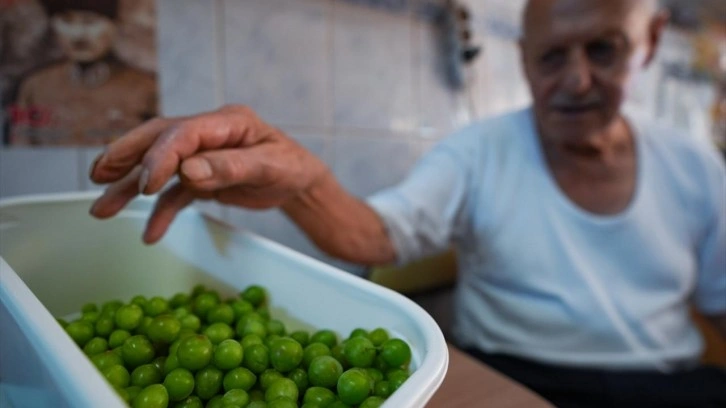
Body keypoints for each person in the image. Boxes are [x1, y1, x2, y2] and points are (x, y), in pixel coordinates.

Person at [89, 0, 726, 406]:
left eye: (603, 50)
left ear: (650, 40)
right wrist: (305, 182)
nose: (576, 80)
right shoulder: (477, 152)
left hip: (667, 386)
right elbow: (380, 234)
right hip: (516, 376)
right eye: (552, 57)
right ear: (524, 59)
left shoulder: (698, 166)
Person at [9, 0, 156, 146]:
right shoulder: (35, 86)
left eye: (90, 22)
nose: (78, 34)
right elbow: (22, 145)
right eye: (67, 20)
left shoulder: (145, 87)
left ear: (116, 25)